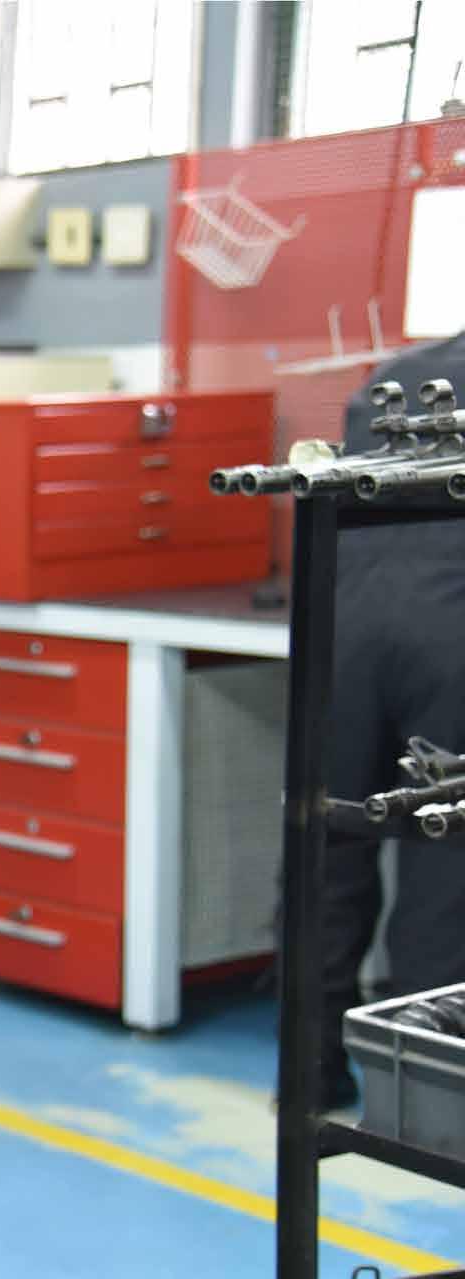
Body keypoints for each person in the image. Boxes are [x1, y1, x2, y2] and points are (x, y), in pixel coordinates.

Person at [317, 326, 465, 1111]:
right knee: (445, 861)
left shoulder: (394, 374)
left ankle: (308, 1074)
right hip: (450, 631)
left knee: (326, 844)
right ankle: (422, 1099)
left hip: (341, 629)